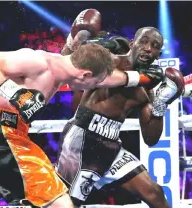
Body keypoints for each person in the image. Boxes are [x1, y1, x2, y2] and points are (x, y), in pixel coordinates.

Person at [0, 9, 164, 208]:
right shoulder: (39, 62)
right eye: (95, 84)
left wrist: (151, 82)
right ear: (85, 77)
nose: (94, 88)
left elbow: (113, 77)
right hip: (1, 137)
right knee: (61, 203)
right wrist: (15, 94)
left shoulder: (66, 67)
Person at [56, 26, 185, 208]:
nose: (148, 48)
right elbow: (68, 71)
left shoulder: (148, 90)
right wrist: (74, 42)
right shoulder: (110, 61)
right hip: (81, 141)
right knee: (65, 204)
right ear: (133, 43)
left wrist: (161, 105)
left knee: (155, 193)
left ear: (159, 54)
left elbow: (151, 138)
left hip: (111, 146)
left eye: (154, 46)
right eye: (144, 41)